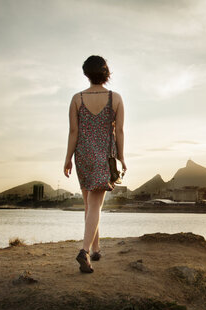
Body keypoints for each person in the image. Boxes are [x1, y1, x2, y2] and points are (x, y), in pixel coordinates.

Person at [63, 55, 127, 273]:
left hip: (83, 155)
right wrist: (122, 157)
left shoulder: (77, 99)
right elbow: (119, 131)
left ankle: (96, 248)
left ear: (86, 74)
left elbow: (74, 132)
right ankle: (84, 252)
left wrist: (68, 158)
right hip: (103, 155)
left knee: (90, 206)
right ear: (105, 73)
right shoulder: (115, 98)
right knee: (95, 206)